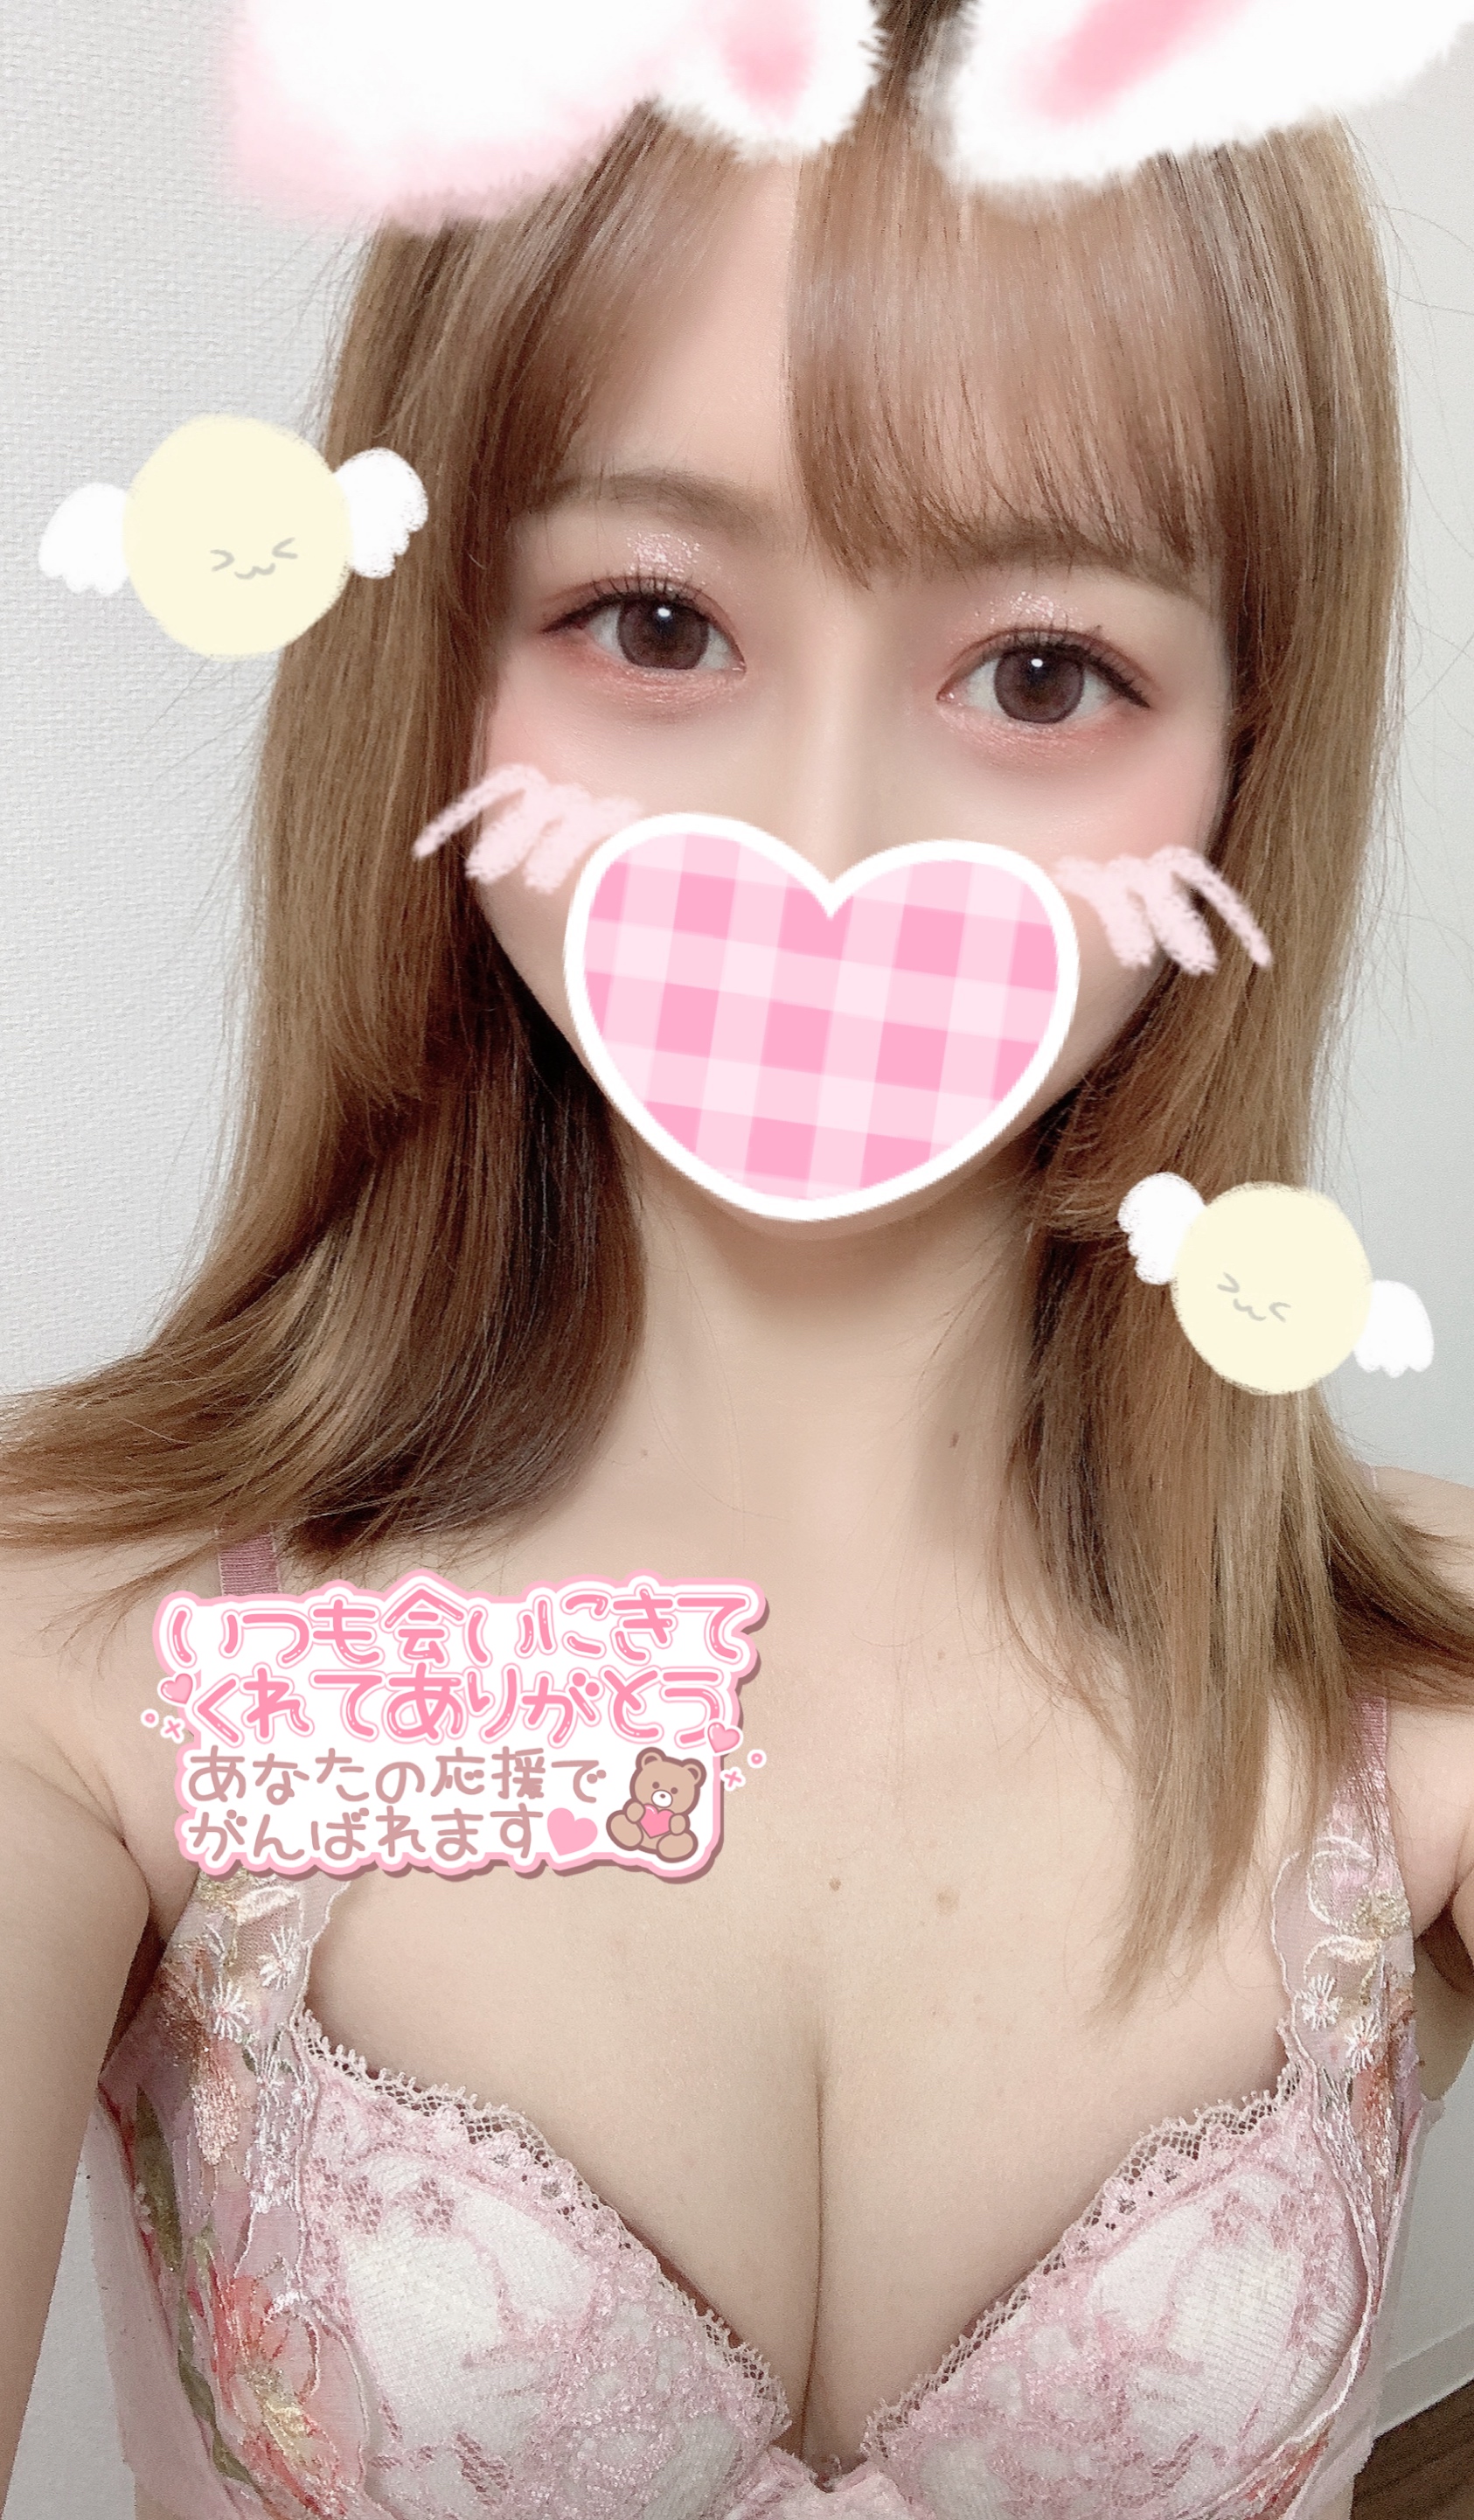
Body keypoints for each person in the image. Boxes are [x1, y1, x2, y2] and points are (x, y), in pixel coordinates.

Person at [4, 4, 1474, 2513]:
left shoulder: (1412, 1705)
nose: (821, 841)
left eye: (1042, 672)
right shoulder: (85, 1644)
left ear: (1253, 746)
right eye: (656, 622)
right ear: (431, 642)